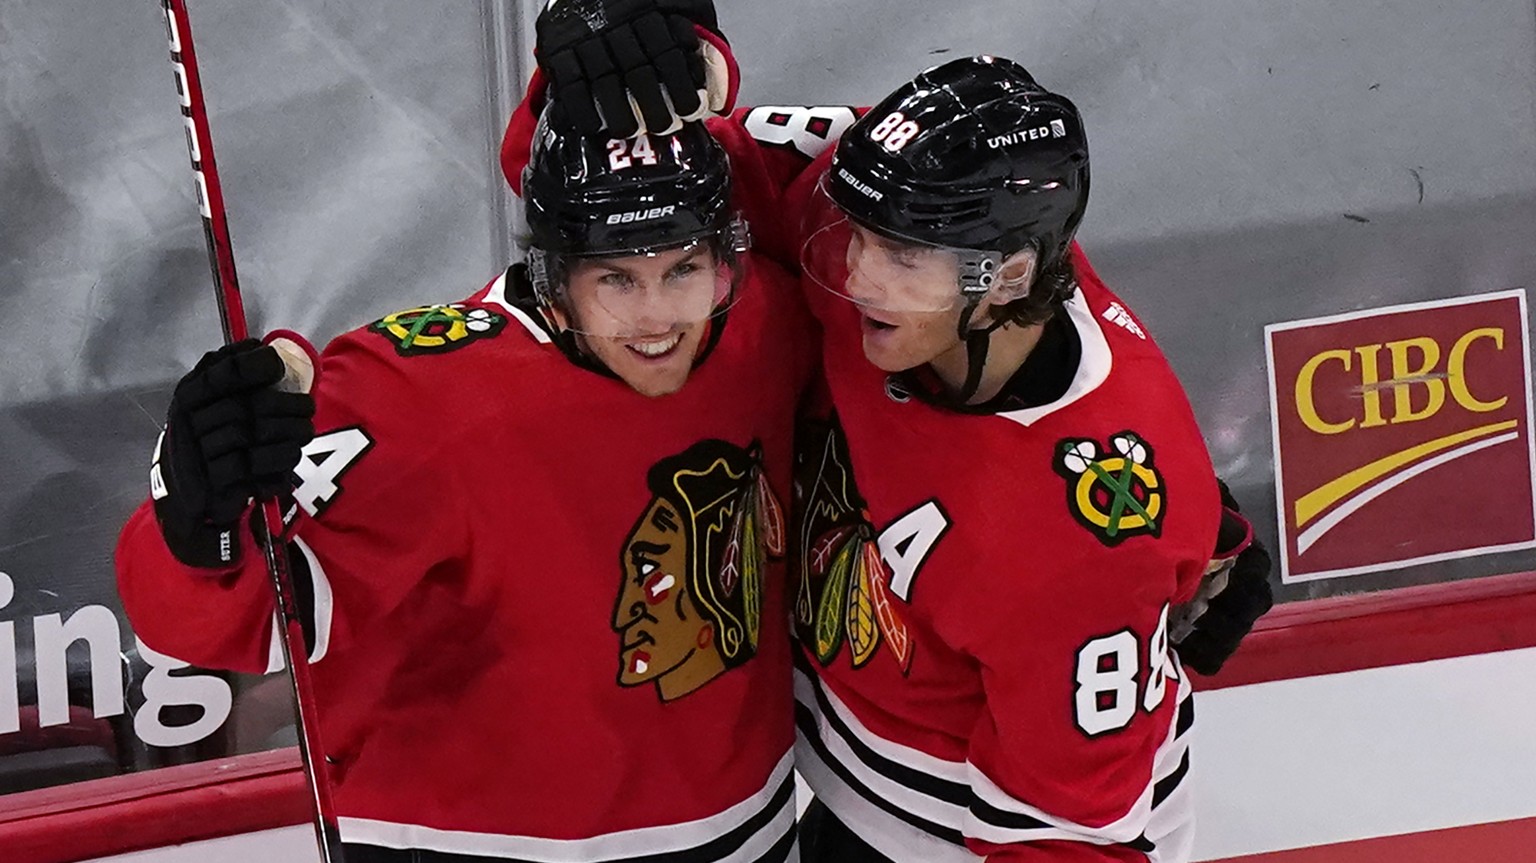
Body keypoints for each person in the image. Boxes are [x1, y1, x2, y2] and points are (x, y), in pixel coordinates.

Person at [521, 6, 1274, 861]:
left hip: (961, 832)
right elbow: (602, 195)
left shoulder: (1071, 547)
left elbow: (1073, 835)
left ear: (1010, 278)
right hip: (852, 769)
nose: (854, 275)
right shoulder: (897, 219)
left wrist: (1173, 537)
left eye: (902, 259)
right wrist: (611, 65)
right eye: (862, 236)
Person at [115, 115, 814, 861]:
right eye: (616, 277)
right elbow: (229, 615)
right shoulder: (423, 398)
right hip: (482, 844)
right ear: (553, 275)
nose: (657, 317)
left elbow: (887, 187)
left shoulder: (762, 325)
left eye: (684, 269)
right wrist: (199, 518)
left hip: (751, 827)